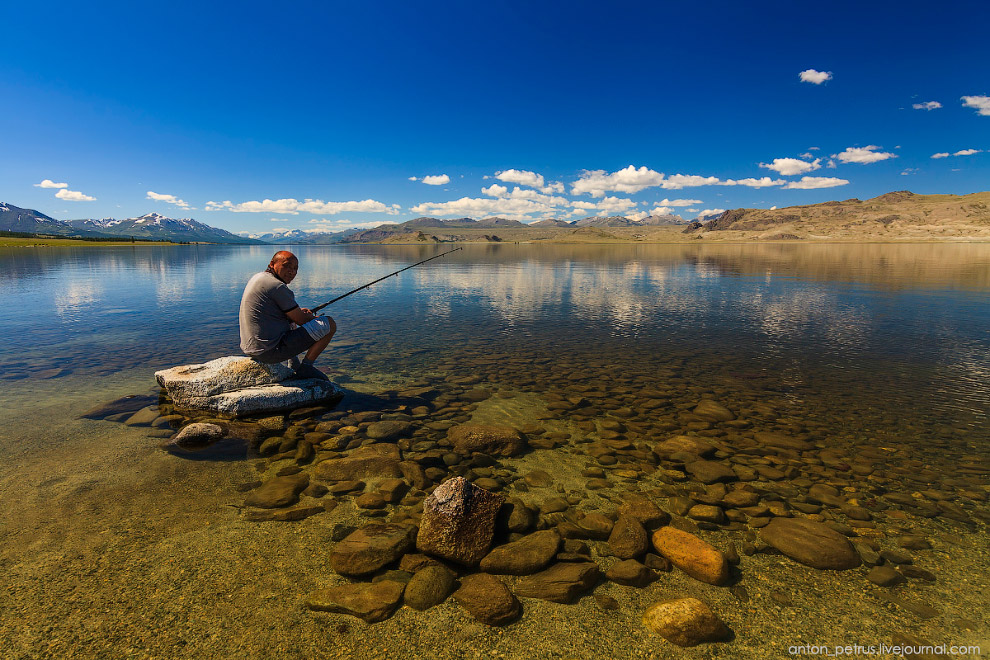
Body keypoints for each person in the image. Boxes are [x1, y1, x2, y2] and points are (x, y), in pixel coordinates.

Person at [239, 251, 335, 381]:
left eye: (295, 268)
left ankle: (293, 364)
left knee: (291, 318)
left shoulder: (259, 277)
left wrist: (298, 313)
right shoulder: (277, 286)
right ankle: (306, 368)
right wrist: (316, 320)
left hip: (251, 348)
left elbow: (281, 313)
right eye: (287, 266)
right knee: (329, 324)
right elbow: (301, 320)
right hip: (268, 352)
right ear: (272, 264)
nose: (292, 272)